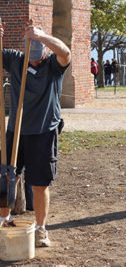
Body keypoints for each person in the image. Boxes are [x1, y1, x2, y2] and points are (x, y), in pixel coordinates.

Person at [0, 21, 71, 247]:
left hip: (44, 132)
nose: (34, 60)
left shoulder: (53, 65)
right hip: (16, 130)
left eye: (38, 56)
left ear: (45, 50)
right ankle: (3, 220)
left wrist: (41, 36)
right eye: (31, 56)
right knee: (6, 176)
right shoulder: (16, 59)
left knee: (40, 183)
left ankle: (41, 229)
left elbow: (66, 52)